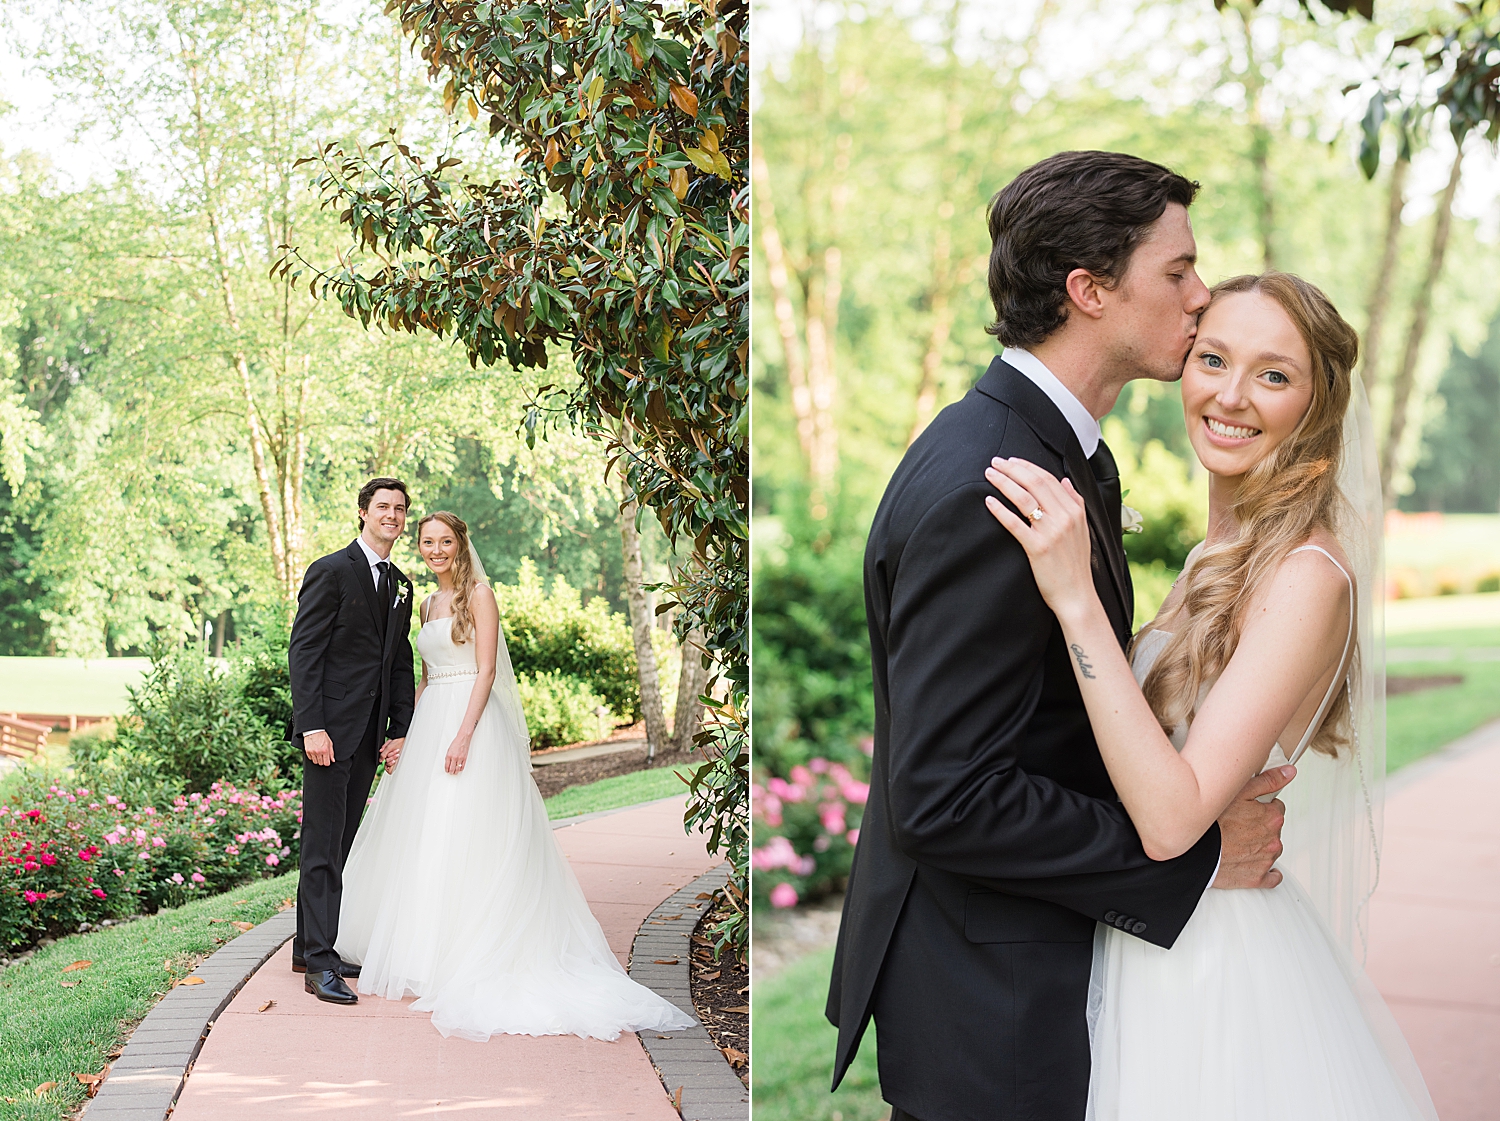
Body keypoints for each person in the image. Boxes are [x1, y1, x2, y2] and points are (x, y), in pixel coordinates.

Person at [826, 151, 1292, 1120]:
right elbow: (946, 796)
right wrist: (1191, 855)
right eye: (1177, 272)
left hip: (1018, 966)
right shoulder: (989, 487)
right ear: (1089, 289)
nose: (1202, 296)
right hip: (990, 1001)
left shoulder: (1060, 453)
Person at [983, 271, 1435, 1119]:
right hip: (1151, 932)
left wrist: (1075, 598)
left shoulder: (1308, 573)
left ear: (1318, 403)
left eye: (1273, 374)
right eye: (1214, 358)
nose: (1231, 395)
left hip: (1216, 964)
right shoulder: (1208, 560)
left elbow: (1174, 814)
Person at [334, 511, 696, 1041]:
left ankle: (474, 950)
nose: (436, 550)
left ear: (461, 544)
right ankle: (426, 951)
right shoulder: (428, 603)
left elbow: (485, 671)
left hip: (471, 726)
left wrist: (462, 735)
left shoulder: (478, 594)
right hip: (433, 719)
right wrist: (411, 734)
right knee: (427, 835)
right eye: (428, 542)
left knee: (472, 833)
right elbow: (428, 675)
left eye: (446, 542)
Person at [287, 477, 416, 1005]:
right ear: (363, 512)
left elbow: (399, 660)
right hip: (329, 733)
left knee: (340, 843)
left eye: (400, 509)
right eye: (383, 507)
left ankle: (308, 945)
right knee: (322, 842)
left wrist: (401, 727)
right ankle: (320, 964)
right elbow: (304, 651)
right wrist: (311, 726)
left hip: (366, 737)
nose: (392, 515)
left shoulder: (400, 582)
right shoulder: (331, 570)